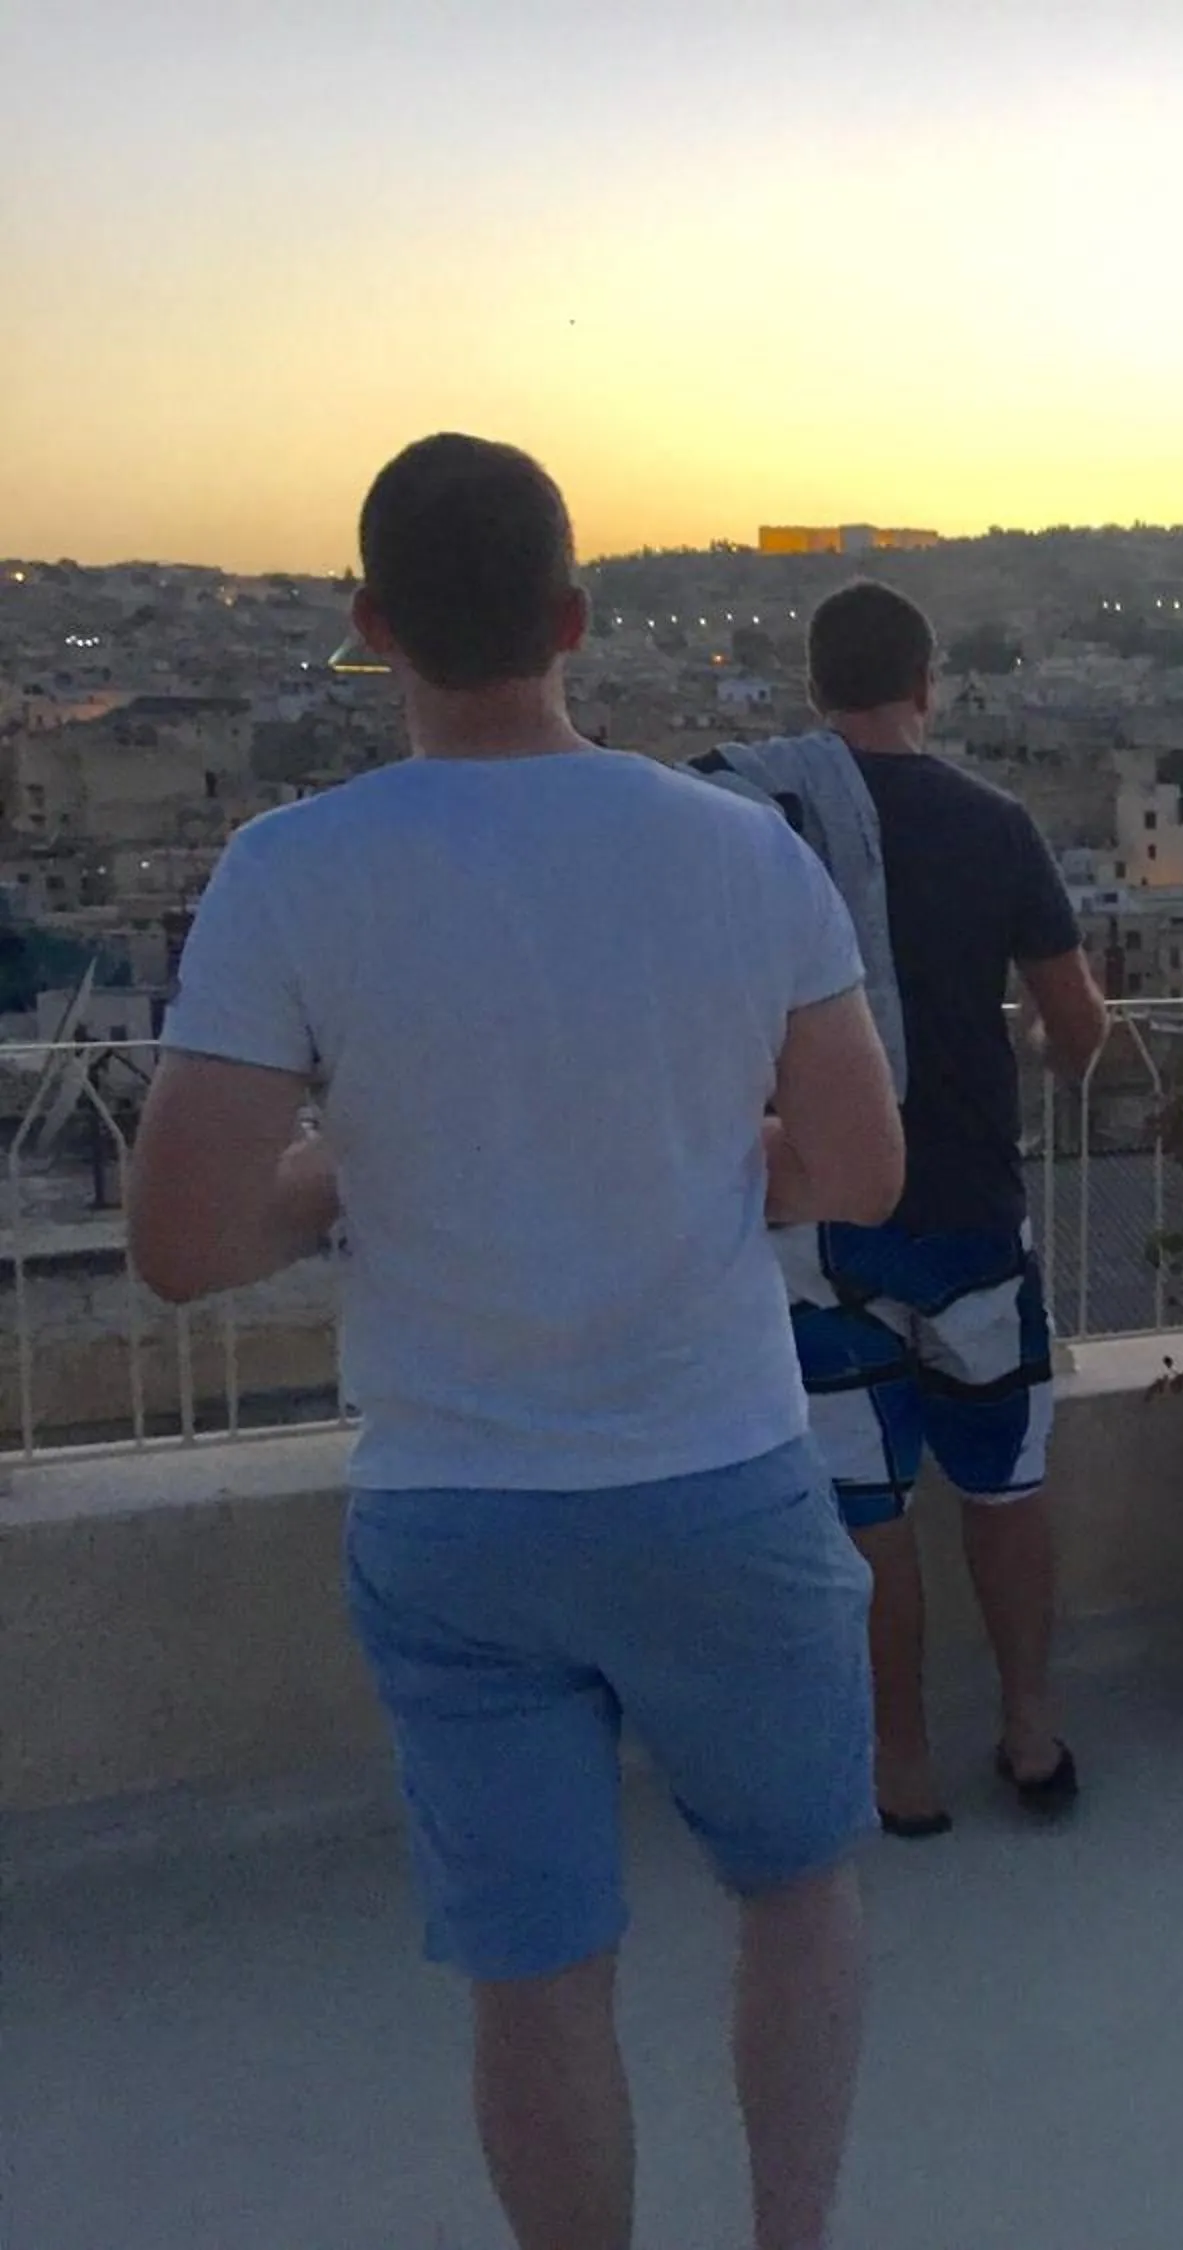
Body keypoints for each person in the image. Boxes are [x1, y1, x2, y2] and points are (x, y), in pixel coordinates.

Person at [127, 435, 903, 2250]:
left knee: (535, 1975)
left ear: (369, 626)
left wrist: (343, 1176)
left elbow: (177, 1244)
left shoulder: (289, 869)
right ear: (572, 615)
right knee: (796, 1895)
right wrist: (694, 1150)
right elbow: (860, 1169)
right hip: (717, 1479)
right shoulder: (743, 849)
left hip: (457, 1508)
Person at [698, 582, 1109, 1835]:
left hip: (821, 1223)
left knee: (869, 1509)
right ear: (927, 682)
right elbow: (1077, 1023)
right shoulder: (996, 824)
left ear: (816, 691)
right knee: (1005, 1483)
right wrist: (1036, 1051)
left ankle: (903, 1767)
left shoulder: (760, 826)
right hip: (971, 1212)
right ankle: (1031, 1732)